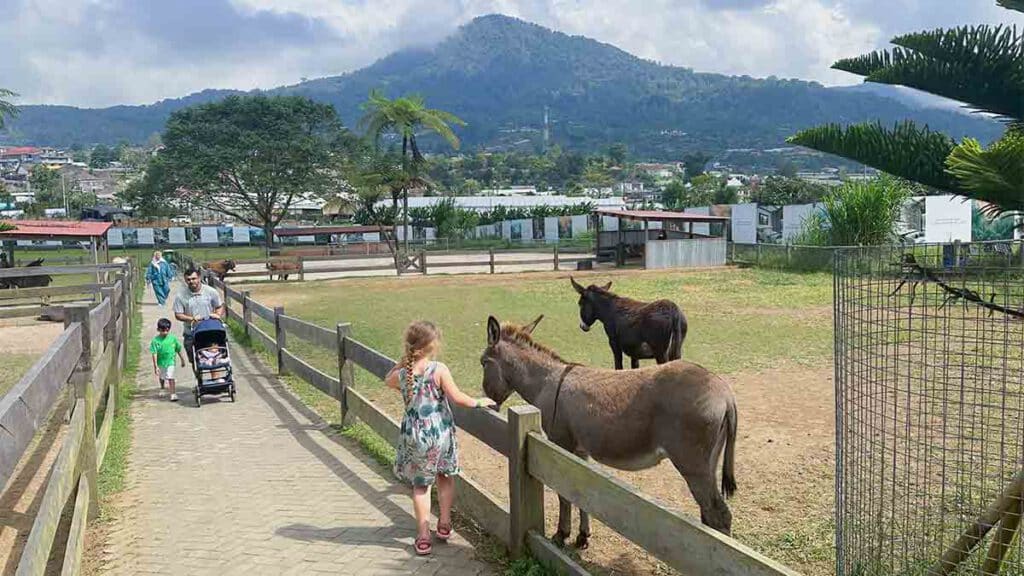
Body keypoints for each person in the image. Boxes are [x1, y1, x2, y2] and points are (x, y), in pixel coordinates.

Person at [385, 321, 494, 556]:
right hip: (440, 434)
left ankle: (423, 537)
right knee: (445, 476)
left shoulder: (404, 375)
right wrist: (479, 401)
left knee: (421, 486)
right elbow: (458, 398)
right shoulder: (439, 370)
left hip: (415, 436)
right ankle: (444, 525)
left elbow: (387, 379)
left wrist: (401, 362)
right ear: (432, 345)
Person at [172, 267, 224, 375]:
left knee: (212, 354)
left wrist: (217, 315)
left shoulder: (210, 292)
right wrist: (192, 318)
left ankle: (215, 381)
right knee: (194, 359)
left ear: (199, 278)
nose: (191, 282)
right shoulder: (181, 296)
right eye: (188, 280)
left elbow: (219, 306)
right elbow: (178, 314)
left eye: (193, 278)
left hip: (209, 329)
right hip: (191, 331)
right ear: (186, 280)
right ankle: (199, 379)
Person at [149, 318, 186, 401]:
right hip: (161, 362)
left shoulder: (173, 339)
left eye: (167, 330)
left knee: (170, 376)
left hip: (170, 361)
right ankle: (162, 387)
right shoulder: (155, 341)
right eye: (163, 330)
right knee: (162, 376)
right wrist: (155, 366)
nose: (165, 332)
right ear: (158, 330)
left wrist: (182, 359)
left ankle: (173, 393)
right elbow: (154, 353)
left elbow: (178, 349)